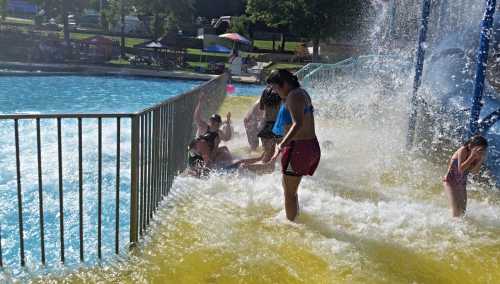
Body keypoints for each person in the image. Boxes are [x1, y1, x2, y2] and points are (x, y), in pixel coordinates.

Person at [267, 69, 321, 221]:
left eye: (276, 88)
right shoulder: (302, 93)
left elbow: (298, 124)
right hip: (310, 146)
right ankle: (294, 219)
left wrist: (281, 145)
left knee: (289, 193)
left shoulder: (293, 96)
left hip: (299, 148)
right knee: (291, 191)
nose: (276, 92)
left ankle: (291, 226)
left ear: (284, 84)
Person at [238, 86, 282, 174]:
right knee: (269, 162)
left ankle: (246, 167)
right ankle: (245, 168)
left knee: (266, 157)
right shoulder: (280, 94)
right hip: (275, 127)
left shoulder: (265, 92)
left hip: (266, 127)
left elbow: (262, 109)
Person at [443, 135, 488, 217]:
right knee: (456, 210)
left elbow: (474, 172)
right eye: (479, 149)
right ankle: (454, 226)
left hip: (461, 183)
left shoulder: (478, 155)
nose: (481, 152)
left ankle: (462, 227)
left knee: (463, 211)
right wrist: (472, 156)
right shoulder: (463, 150)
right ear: (470, 146)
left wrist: (480, 160)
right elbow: (461, 169)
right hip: (450, 182)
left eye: (483, 150)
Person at [194, 92, 233, 167]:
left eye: (216, 123)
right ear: (211, 122)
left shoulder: (218, 132)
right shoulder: (204, 127)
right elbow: (196, 117)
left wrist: (228, 122)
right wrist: (200, 102)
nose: (215, 124)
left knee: (225, 149)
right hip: (201, 153)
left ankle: (229, 165)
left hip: (210, 154)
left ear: (218, 124)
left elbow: (227, 137)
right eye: (213, 122)